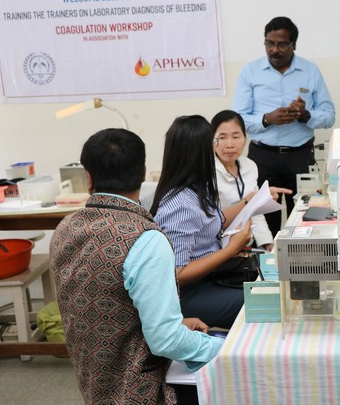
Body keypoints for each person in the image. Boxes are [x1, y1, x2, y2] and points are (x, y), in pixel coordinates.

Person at [50, 128, 223, 404]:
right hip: (145, 392)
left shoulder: (66, 228)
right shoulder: (145, 239)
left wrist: (173, 322)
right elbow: (167, 342)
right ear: (143, 172)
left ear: (88, 177)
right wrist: (227, 348)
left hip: (95, 386)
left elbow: (105, 305)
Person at [233, 16, 336, 235]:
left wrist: (306, 115)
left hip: (300, 157)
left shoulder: (311, 71)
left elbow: (329, 115)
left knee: (305, 219)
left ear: (293, 45)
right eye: (269, 43)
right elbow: (239, 119)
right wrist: (267, 119)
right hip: (262, 158)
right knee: (262, 222)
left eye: (281, 44)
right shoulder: (250, 72)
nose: (274, 50)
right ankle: (266, 256)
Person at [151, 115, 254, 330]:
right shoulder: (180, 205)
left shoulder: (197, 188)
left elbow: (213, 221)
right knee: (260, 302)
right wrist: (230, 249)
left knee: (267, 283)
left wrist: (249, 203)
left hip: (211, 278)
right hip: (187, 294)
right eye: (215, 142)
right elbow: (177, 274)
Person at [211, 109, 292, 252]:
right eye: (222, 137)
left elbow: (255, 211)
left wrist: (266, 243)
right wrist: (250, 201)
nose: (230, 144)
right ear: (212, 141)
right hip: (218, 248)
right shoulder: (206, 172)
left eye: (236, 137)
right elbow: (209, 223)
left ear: (245, 138)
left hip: (248, 245)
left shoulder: (250, 166)